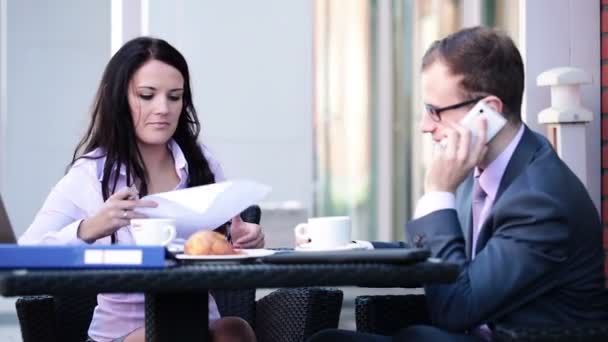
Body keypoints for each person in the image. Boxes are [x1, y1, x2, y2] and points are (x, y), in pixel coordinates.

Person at [308, 26, 608, 341]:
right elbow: (435, 256)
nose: (425, 126)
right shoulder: (482, 167)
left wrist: (438, 193)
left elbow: (456, 307)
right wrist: (345, 247)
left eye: (435, 111)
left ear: (488, 112)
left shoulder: (541, 200)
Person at [19, 36, 262, 342]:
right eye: (147, 95)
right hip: (122, 336)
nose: (163, 108)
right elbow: (25, 256)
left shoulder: (202, 163)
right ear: (121, 99)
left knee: (234, 330)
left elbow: (221, 246)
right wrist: (88, 229)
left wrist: (239, 241)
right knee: (166, 336)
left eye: (174, 97)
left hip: (199, 325)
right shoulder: (92, 174)